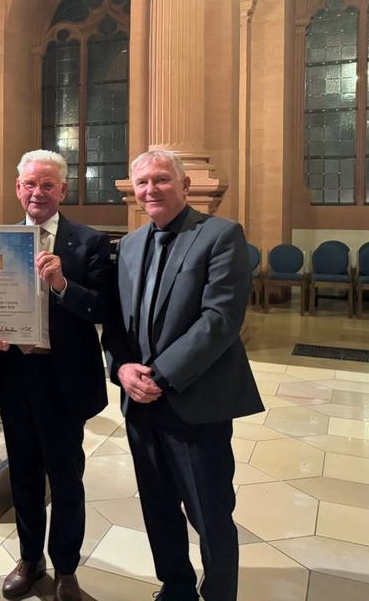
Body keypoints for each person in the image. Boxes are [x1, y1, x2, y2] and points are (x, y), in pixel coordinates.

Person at [102, 150, 263, 601]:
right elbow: (116, 322)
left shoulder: (220, 235)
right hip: (141, 405)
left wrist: (161, 375)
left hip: (195, 402)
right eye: (142, 183)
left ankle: (219, 593)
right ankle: (176, 586)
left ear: (185, 185)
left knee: (210, 512)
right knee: (158, 507)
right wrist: (122, 367)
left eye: (161, 179)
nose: (150, 190)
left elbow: (220, 320)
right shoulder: (130, 245)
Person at [0, 150, 112, 601]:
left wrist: (62, 285)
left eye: (47, 184)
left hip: (63, 379)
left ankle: (66, 569)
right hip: (15, 376)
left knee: (66, 478)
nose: (38, 192)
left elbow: (103, 307)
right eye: (30, 184)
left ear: (62, 190)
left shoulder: (89, 242)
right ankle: (30, 559)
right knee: (24, 475)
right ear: (18, 188)